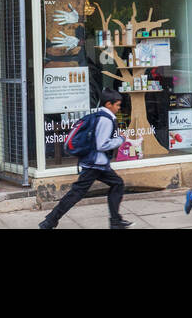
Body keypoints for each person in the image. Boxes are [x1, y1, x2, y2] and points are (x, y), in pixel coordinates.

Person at [40, 89, 131, 229]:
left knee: (117, 184)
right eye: (117, 105)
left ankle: (116, 221)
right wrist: (120, 139)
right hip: (95, 164)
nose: (119, 108)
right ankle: (50, 221)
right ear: (108, 104)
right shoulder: (106, 119)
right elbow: (102, 144)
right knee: (77, 193)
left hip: (96, 163)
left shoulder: (97, 115)